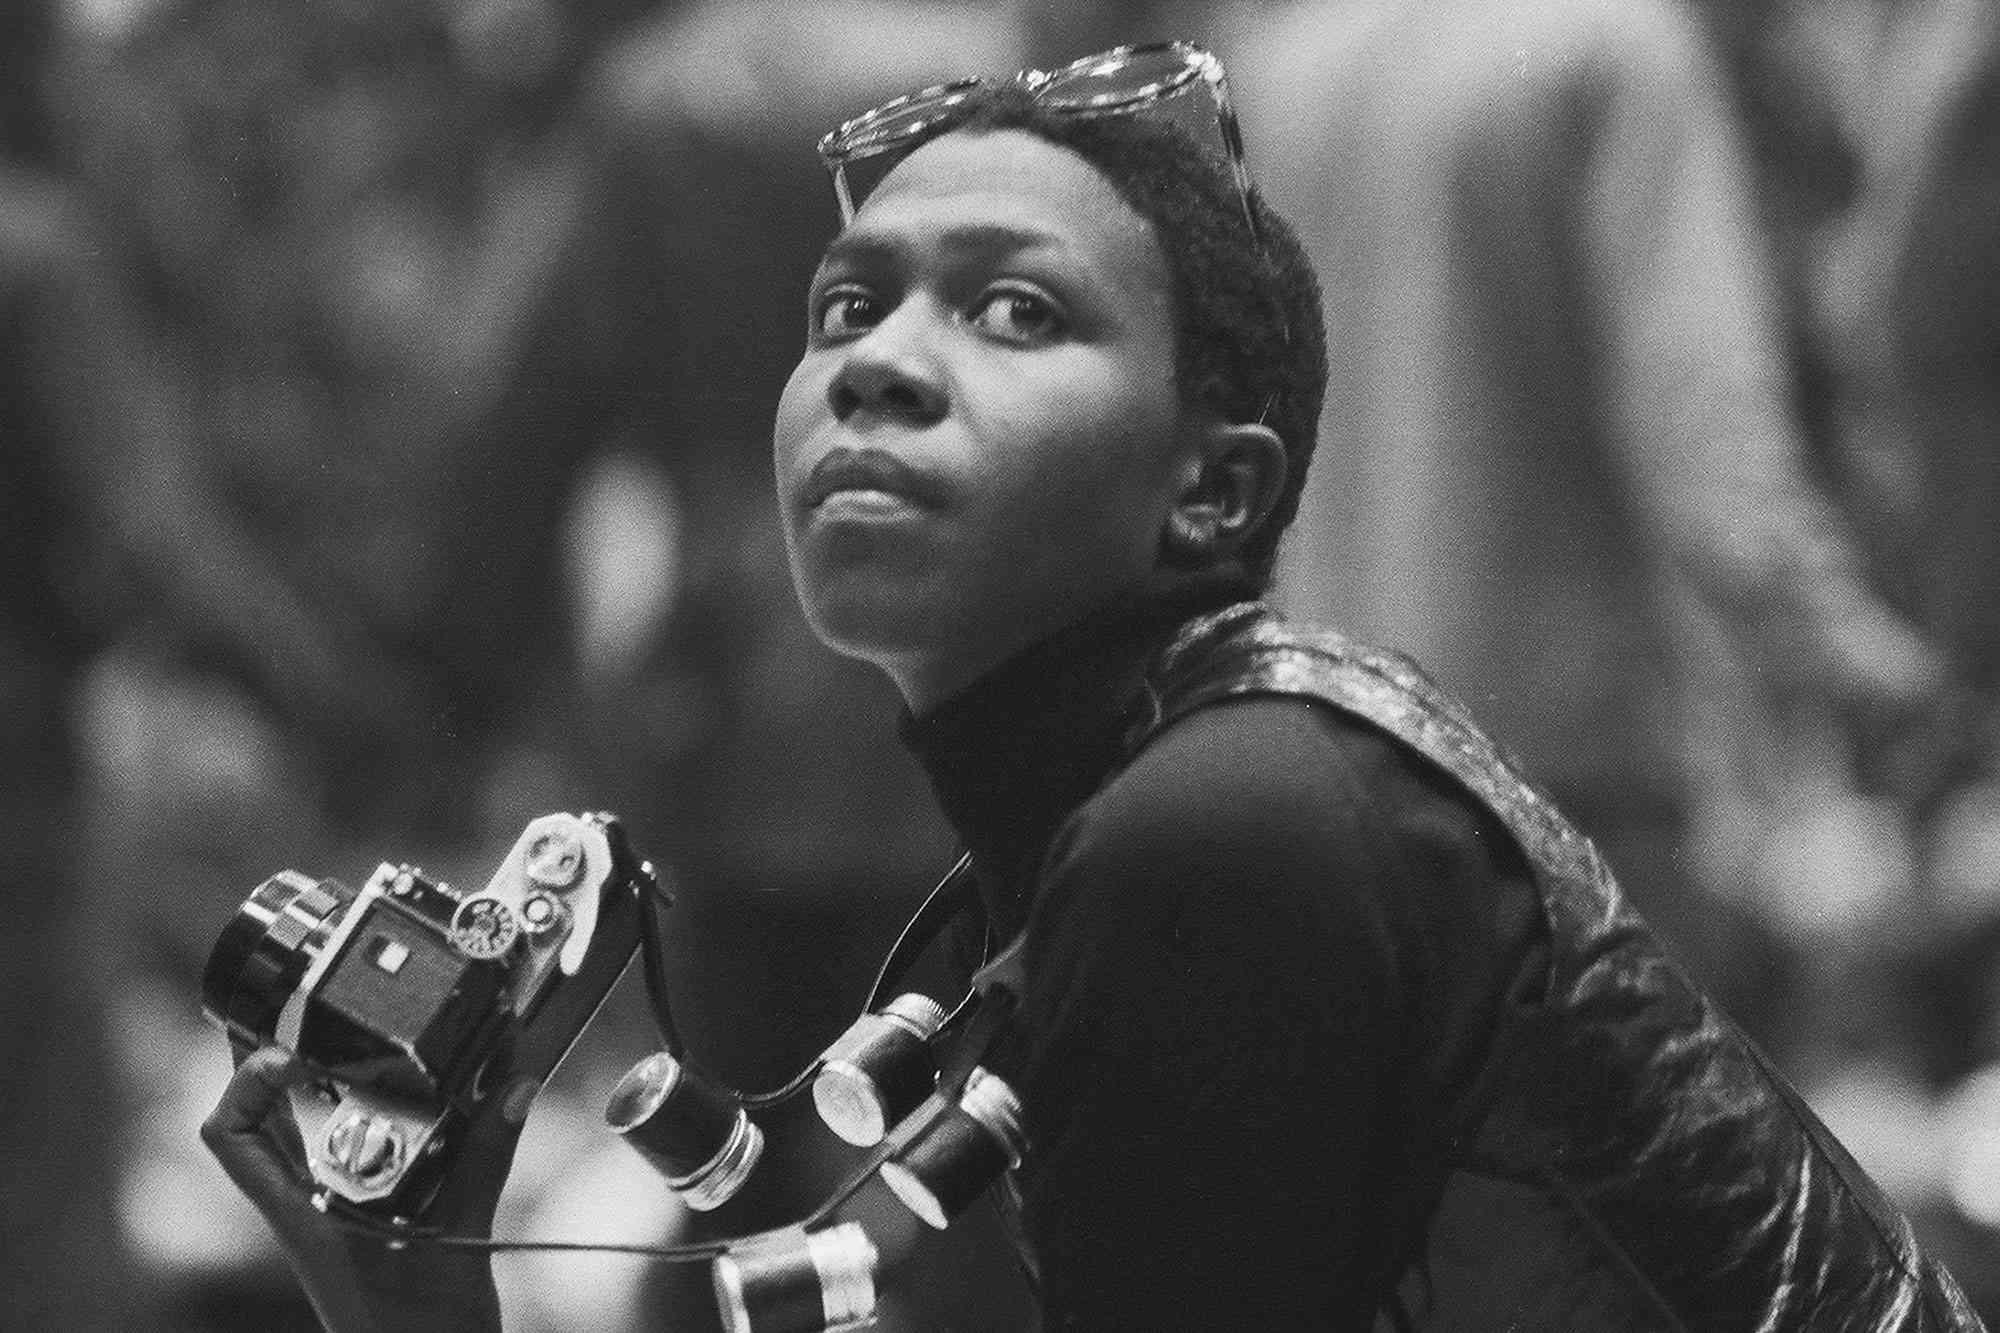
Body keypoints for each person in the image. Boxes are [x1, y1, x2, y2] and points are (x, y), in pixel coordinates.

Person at [205, 44, 1983, 1330]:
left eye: (1015, 314)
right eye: (842, 309)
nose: (882, 365)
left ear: (1212, 488)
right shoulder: (1116, 819)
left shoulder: (1221, 832)